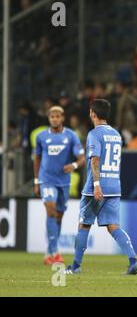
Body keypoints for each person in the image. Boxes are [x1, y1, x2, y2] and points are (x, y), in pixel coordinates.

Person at [64, 99, 137, 275]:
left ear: (92, 113)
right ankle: (134, 261)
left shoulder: (94, 134)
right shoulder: (116, 134)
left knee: (84, 225)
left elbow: (95, 159)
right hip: (115, 185)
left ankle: (75, 267)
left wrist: (97, 185)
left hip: (97, 186)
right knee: (113, 226)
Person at [33, 106, 86, 265]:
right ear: (48, 118)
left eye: (57, 116)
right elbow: (36, 159)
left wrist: (74, 166)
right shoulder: (41, 137)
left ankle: (48, 252)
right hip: (46, 179)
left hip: (63, 182)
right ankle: (56, 253)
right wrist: (36, 181)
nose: (55, 119)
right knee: (50, 209)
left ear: (62, 118)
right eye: (52, 117)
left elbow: (82, 158)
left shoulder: (71, 136)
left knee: (58, 215)